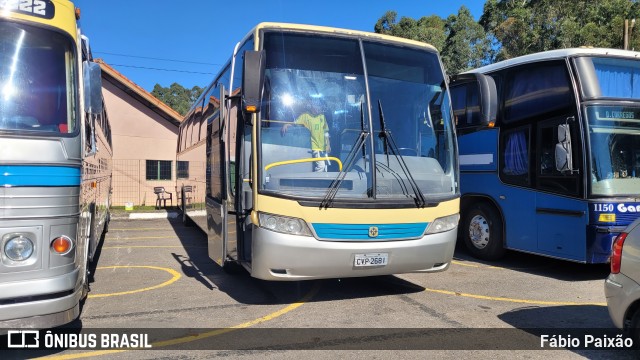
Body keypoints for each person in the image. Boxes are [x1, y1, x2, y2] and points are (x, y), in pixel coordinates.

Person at [281, 101, 331, 172]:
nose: (318, 108)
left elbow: (326, 132)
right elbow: (295, 124)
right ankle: (315, 181)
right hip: (315, 147)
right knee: (321, 166)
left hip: (323, 147)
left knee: (325, 168)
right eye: (316, 106)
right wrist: (286, 125)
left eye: (319, 106)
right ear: (312, 106)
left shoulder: (322, 116)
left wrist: (328, 144)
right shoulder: (305, 116)